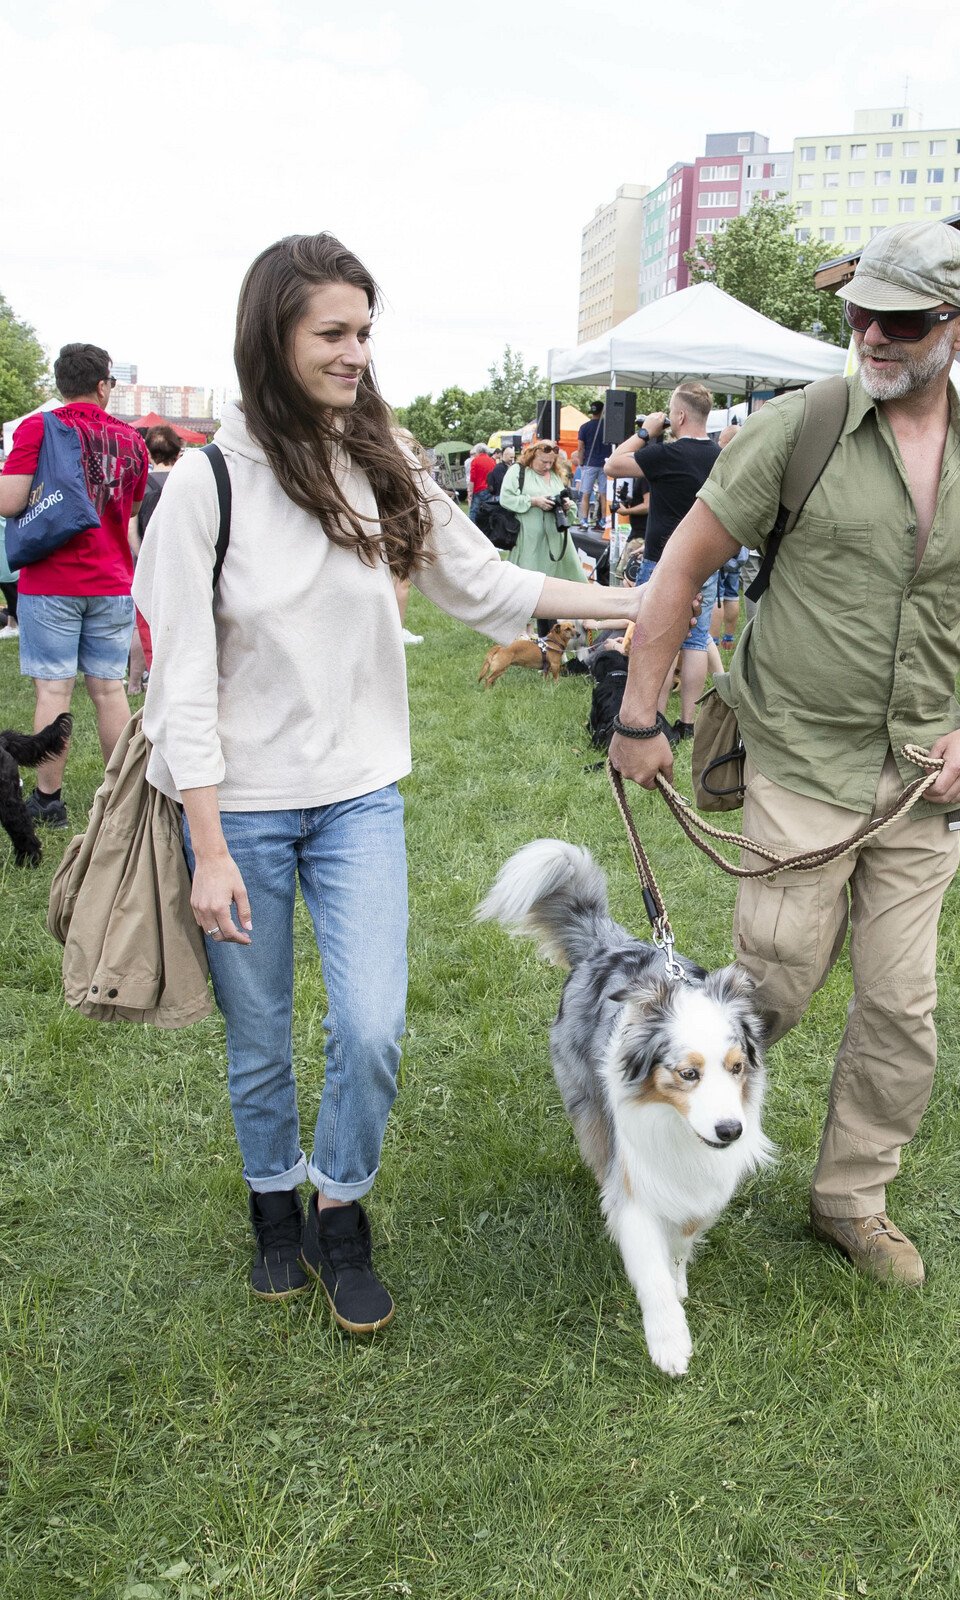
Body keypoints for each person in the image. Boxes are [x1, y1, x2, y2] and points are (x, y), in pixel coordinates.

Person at [132, 233, 644, 1333]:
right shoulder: (206, 484)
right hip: (242, 811)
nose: (357, 352)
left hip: (360, 796)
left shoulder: (384, 461)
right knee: (260, 1035)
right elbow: (178, 682)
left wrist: (635, 604)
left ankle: (341, 1207)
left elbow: (486, 580)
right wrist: (208, 845)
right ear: (273, 337)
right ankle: (275, 1204)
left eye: (365, 330)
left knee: (369, 1027)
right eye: (333, 332)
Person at [609, 220, 960, 1288]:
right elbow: (678, 569)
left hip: (919, 782)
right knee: (772, 989)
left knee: (902, 1006)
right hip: (799, 762)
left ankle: (850, 1198)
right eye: (857, 311)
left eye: (897, 320)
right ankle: (651, 1131)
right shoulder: (796, 428)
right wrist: (636, 717)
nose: (868, 333)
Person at [0, 344, 149, 828]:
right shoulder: (132, 440)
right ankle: (123, 797)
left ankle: (49, 801)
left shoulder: (38, 428)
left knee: (53, 690)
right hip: (111, 579)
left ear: (59, 384)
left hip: (51, 579)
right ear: (104, 384)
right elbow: (125, 515)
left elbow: (10, 501)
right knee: (109, 689)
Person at [605, 380, 722, 739]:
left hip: (665, 558)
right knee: (697, 640)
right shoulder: (721, 455)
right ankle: (688, 722)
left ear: (680, 415)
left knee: (657, 637)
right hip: (707, 556)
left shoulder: (665, 453)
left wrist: (645, 430)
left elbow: (612, 465)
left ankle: (655, 715)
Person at [499, 439, 587, 626]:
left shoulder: (555, 474)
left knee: (567, 585)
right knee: (528, 585)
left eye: (551, 462)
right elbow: (506, 498)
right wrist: (534, 501)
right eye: (543, 462)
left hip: (558, 540)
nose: (547, 466)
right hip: (531, 540)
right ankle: (524, 630)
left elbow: (565, 501)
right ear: (532, 456)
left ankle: (571, 625)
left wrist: (566, 505)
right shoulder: (518, 470)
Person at [128, 424, 185, 692]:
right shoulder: (187, 480)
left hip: (148, 571)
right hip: (184, 568)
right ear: (178, 450)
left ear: (149, 452)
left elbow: (131, 530)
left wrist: (146, 561)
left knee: (143, 628)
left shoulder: (143, 482)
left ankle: (136, 682)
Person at [577, 399, 610, 528]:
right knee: (604, 494)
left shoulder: (584, 427)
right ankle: (603, 521)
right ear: (603, 411)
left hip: (589, 463)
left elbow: (581, 448)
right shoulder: (608, 427)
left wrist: (581, 463)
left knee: (586, 493)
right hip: (605, 464)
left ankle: (584, 521)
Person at [467, 443, 495, 527]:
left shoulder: (475, 461)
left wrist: (470, 492)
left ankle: (472, 529)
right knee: (488, 510)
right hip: (490, 490)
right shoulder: (492, 461)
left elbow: (473, 478)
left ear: (478, 451)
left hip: (479, 490)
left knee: (474, 512)